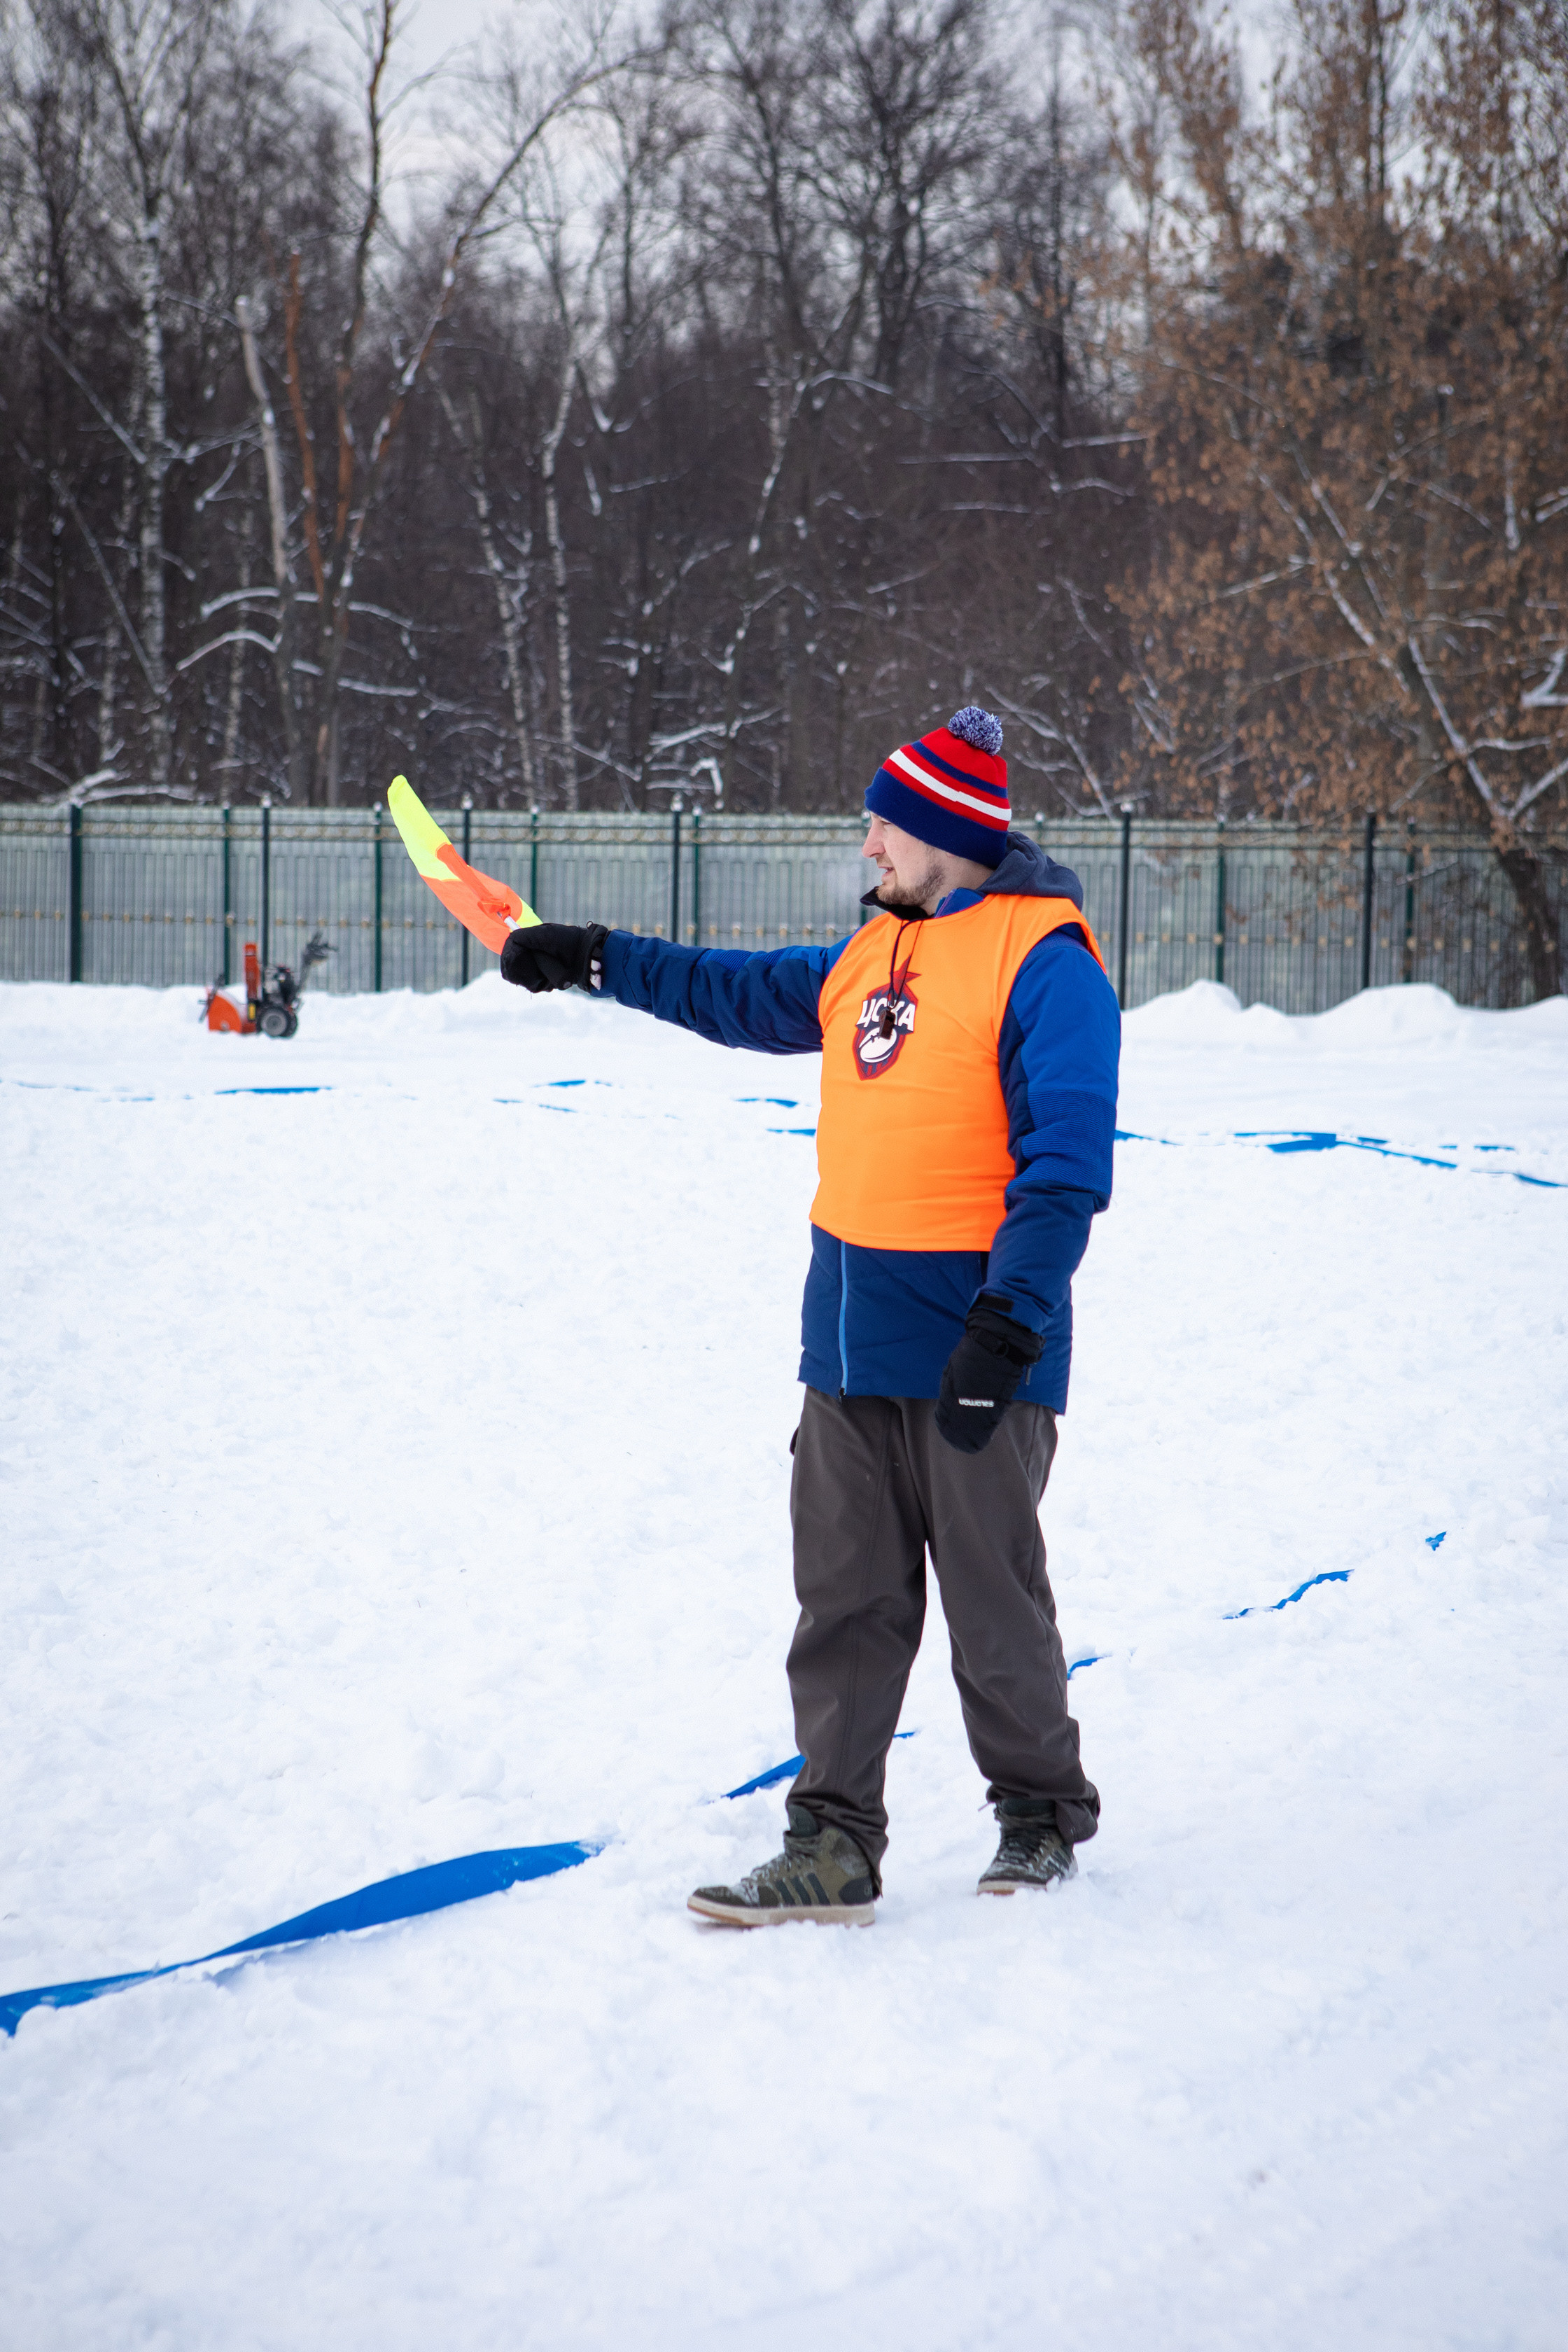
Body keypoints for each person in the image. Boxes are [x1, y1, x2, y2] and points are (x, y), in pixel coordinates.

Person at [500, 706, 1121, 1927]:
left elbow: (1066, 1162)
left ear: (943, 830)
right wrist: (591, 957)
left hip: (976, 1347)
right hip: (844, 1345)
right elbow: (731, 990)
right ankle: (830, 1842)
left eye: (883, 822)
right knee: (842, 1602)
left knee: (993, 1601)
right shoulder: (869, 955)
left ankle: (1039, 1815)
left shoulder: (1045, 959)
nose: (869, 843)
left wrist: (1013, 1319)